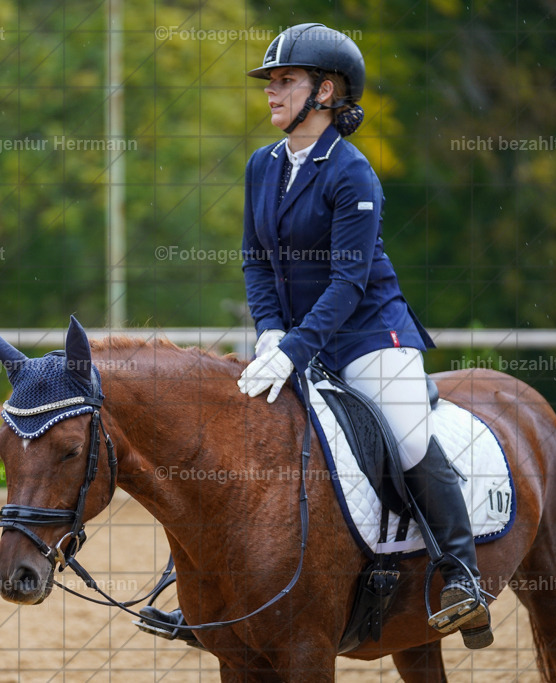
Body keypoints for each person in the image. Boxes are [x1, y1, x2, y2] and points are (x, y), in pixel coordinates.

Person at [140, 23, 492, 650]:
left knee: (406, 434)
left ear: (325, 91)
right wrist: (272, 334)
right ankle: (199, 594)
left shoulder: (352, 173)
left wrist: (297, 347)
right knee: (233, 444)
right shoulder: (262, 165)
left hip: (368, 336)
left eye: (285, 82)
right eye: (271, 83)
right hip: (292, 341)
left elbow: (350, 280)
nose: (271, 94)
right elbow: (255, 261)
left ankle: (460, 573)